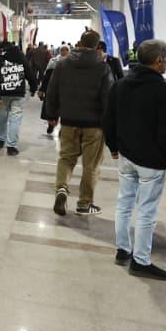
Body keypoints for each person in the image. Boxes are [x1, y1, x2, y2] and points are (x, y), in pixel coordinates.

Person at [103, 39, 166, 279]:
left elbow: (109, 119)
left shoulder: (120, 85)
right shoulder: (162, 90)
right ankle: (141, 260)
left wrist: (113, 146)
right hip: (151, 160)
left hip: (126, 155)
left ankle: (122, 249)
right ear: (159, 61)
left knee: (124, 203)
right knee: (147, 211)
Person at [45, 30, 113, 215]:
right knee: (91, 165)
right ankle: (84, 203)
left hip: (68, 121)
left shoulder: (63, 64)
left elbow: (52, 90)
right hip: (94, 125)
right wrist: (109, 124)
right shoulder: (103, 67)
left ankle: (62, 188)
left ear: (80, 42)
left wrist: (52, 114)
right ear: (97, 46)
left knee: (66, 158)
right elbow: (108, 98)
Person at [0, 41, 35, 156]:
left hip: (3, 93)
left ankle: (0, 139)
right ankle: (11, 146)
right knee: (15, 118)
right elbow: (29, 72)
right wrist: (33, 87)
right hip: (18, 93)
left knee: (2, 116)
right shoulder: (21, 57)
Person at [37, 45, 69, 135]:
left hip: (65, 90)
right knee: (52, 108)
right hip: (53, 89)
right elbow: (47, 77)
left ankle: (63, 128)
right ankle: (51, 125)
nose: (64, 52)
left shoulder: (72, 63)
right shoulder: (53, 61)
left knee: (64, 110)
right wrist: (42, 89)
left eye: (66, 50)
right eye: (62, 50)